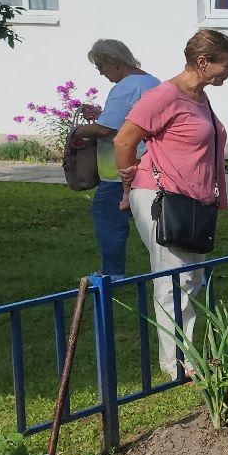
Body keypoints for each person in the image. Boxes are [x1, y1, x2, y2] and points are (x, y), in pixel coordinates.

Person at [114, 28, 228, 380]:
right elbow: (124, 140)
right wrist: (128, 183)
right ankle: (176, 365)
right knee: (174, 281)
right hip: (162, 199)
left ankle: (186, 357)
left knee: (191, 281)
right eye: (227, 65)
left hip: (193, 202)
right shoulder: (164, 96)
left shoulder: (199, 97)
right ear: (203, 62)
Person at [67, 40, 159, 277]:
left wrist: (76, 132)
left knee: (108, 221)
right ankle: (185, 271)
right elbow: (129, 118)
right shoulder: (152, 82)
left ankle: (111, 274)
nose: (101, 73)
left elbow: (105, 129)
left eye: (101, 66)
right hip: (150, 164)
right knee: (158, 225)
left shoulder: (125, 87)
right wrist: (102, 114)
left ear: (114, 62)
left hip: (119, 171)